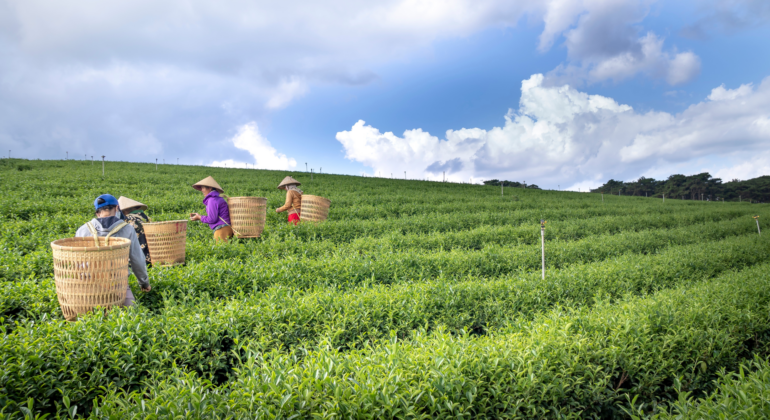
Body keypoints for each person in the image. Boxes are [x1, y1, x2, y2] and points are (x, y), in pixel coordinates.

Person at [74, 194, 151, 307]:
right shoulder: (127, 229)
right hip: (118, 285)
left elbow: (77, 262)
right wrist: (144, 283)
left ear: (97, 213)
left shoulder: (82, 230)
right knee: (131, 315)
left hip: (88, 285)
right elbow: (137, 260)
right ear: (116, 208)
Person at [189, 176, 234, 241]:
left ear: (209, 188)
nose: (202, 190)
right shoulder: (218, 198)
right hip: (227, 228)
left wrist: (200, 217)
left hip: (221, 230)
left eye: (203, 188)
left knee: (220, 250)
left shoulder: (212, 200)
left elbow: (212, 219)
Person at [118, 196, 152, 267]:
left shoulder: (128, 219)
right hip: (150, 257)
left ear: (126, 210)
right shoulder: (146, 218)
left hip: (135, 258)